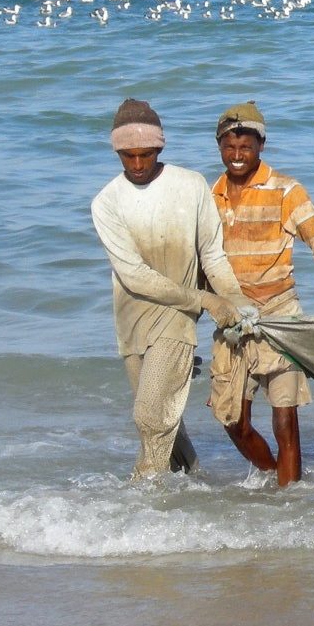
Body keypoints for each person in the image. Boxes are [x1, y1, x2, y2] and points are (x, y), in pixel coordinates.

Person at [91, 98, 252, 480]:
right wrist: (206, 299)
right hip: (131, 323)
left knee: (149, 416)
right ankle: (196, 485)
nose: (137, 164)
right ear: (117, 152)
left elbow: (212, 256)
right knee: (164, 420)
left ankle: (141, 498)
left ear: (159, 148)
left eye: (145, 154)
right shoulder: (106, 203)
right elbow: (134, 276)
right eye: (127, 156)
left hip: (177, 319)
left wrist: (235, 301)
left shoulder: (190, 185)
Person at [207, 101, 314, 487]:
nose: (237, 156)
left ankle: (291, 501)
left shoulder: (286, 191)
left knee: (285, 421)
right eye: (229, 147)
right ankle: (271, 480)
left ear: (261, 146)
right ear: (218, 146)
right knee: (234, 422)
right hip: (233, 322)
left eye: (246, 148)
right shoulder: (208, 196)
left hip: (282, 318)